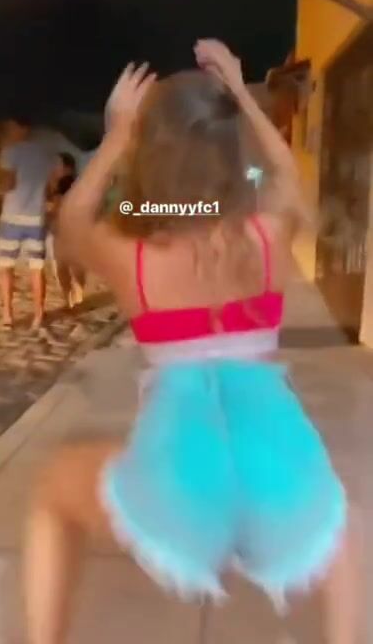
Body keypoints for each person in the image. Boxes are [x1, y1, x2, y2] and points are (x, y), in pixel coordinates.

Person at [24, 42, 359, 644]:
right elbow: (287, 177)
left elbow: (72, 221)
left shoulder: (132, 255)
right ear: (231, 155)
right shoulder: (267, 234)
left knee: (56, 493)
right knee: (343, 532)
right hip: (276, 482)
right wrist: (242, 94)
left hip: (181, 489)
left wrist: (118, 136)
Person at [0, 119, 54, 330]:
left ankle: (7, 315)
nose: (8, 131)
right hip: (36, 217)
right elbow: (50, 185)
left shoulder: (10, 152)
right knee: (36, 268)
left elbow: (9, 183)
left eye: (10, 127)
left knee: (5, 267)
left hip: (12, 217)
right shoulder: (45, 155)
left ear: (21, 129)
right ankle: (38, 315)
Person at [46, 152, 85, 308]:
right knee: (70, 265)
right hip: (69, 229)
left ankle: (72, 297)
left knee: (65, 266)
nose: (55, 167)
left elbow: (56, 206)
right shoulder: (76, 182)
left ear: (67, 167)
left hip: (65, 229)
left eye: (58, 165)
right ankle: (75, 297)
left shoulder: (67, 183)